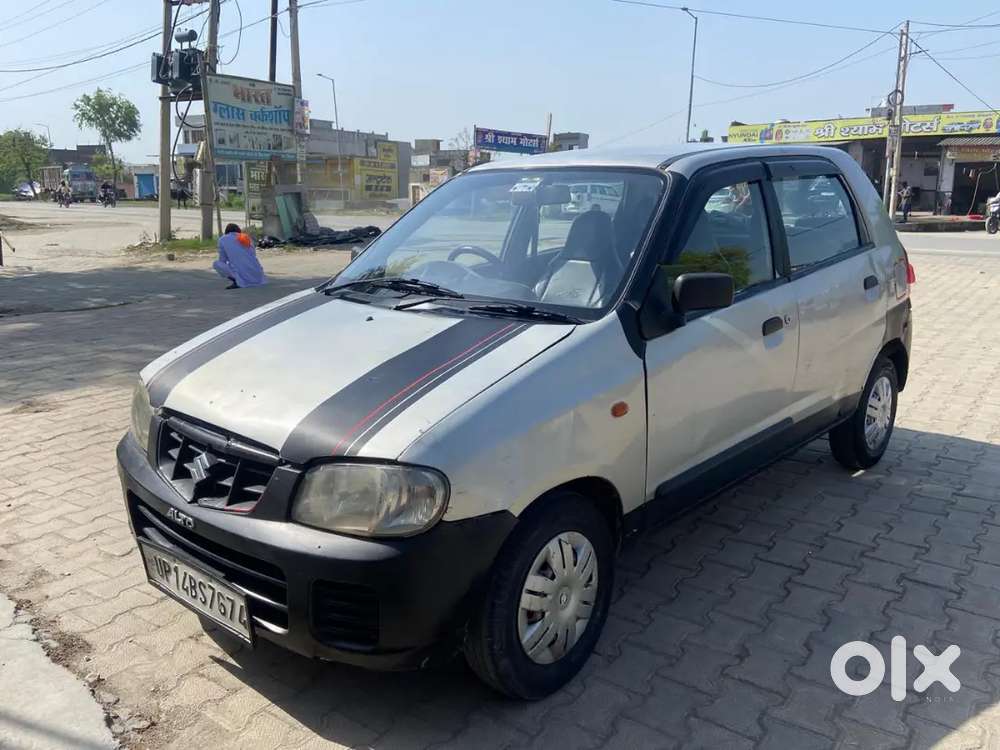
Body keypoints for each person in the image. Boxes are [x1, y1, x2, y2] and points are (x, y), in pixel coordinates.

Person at [213, 223, 266, 289]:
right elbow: (253, 254)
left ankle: (237, 281)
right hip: (258, 276)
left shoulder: (222, 240)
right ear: (239, 231)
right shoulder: (247, 237)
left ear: (227, 232)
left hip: (244, 278)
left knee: (217, 264)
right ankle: (241, 279)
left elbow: (222, 260)